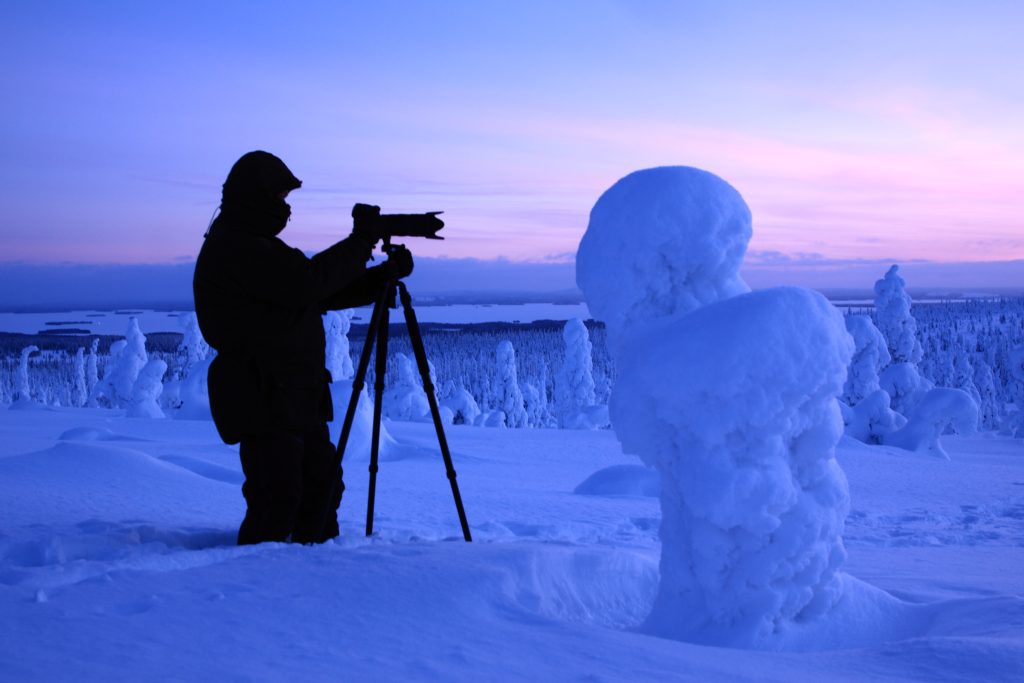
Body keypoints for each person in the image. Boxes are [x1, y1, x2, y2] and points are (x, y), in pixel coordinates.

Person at [193, 150, 412, 545]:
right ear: (256, 197)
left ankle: (314, 578)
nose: (285, 208)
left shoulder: (255, 246)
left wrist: (379, 277)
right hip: (265, 396)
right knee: (279, 498)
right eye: (279, 198)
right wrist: (361, 242)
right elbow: (305, 284)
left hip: (293, 395)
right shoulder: (237, 247)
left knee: (321, 489)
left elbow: (312, 293)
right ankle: (259, 587)